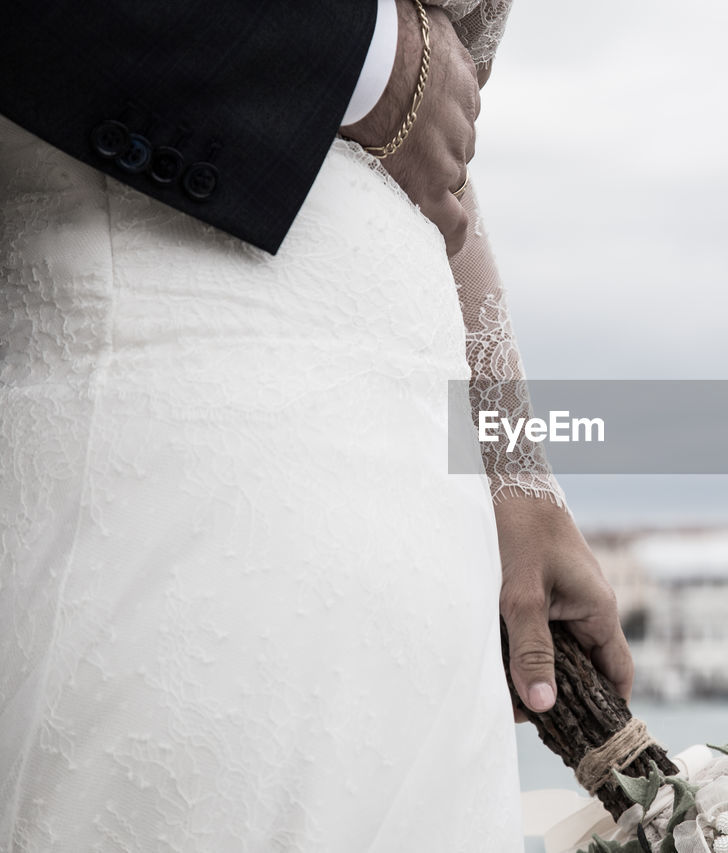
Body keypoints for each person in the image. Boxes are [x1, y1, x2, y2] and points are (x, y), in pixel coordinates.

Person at [0, 0, 631, 849]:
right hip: (168, 432)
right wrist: (372, 59)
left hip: (423, 541)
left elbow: (432, 165)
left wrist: (515, 473)